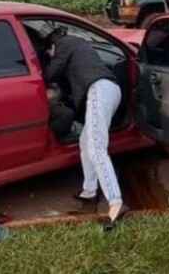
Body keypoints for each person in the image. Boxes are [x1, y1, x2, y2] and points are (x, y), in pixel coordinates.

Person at [43, 27, 127, 229]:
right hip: (108, 90)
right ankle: (89, 191)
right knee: (85, 140)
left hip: (99, 89)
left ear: (51, 46)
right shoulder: (77, 43)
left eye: (49, 53)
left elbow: (52, 72)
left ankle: (116, 202)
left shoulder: (63, 45)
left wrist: (40, 72)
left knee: (96, 146)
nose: (51, 56)